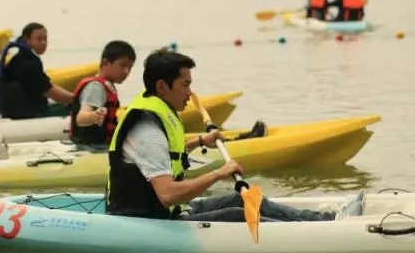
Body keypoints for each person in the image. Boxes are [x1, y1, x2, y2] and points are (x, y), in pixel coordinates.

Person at [105, 49, 336, 222]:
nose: (190, 93)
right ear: (162, 87)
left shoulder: (155, 115)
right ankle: (314, 235)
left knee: (240, 199)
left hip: (167, 211)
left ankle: (322, 220)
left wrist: (200, 141)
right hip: (152, 221)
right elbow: (167, 194)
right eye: (185, 85)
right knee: (238, 214)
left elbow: (165, 154)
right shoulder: (149, 133)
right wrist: (219, 174)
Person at [0, 22, 74, 119]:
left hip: (15, 112)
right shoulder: (28, 63)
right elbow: (50, 92)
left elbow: (47, 85)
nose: (44, 43)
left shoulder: (20, 57)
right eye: (39, 39)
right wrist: (76, 99)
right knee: (76, 108)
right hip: (29, 114)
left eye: (45, 39)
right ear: (27, 40)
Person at [69, 40, 136, 146]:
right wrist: (94, 116)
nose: (126, 71)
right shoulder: (96, 87)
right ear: (106, 63)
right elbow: (81, 118)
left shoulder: (107, 85)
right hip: (90, 149)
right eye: (123, 66)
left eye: (130, 67)